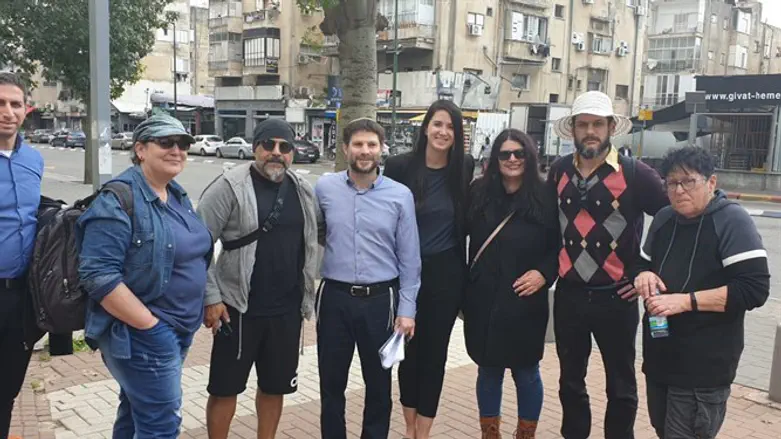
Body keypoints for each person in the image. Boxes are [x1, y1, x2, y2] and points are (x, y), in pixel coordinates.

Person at [76, 115, 212, 439]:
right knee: (161, 426)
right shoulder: (118, 199)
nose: (176, 150)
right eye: (166, 143)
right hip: (142, 334)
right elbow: (97, 274)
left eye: (183, 144)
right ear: (140, 149)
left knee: (136, 413)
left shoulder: (175, 195)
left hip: (177, 329)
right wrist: (150, 326)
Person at [547, 91, 668, 439]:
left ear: (611, 128)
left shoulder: (634, 173)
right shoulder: (558, 171)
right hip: (570, 295)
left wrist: (646, 265)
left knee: (621, 385)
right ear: (572, 129)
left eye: (597, 124)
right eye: (583, 124)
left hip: (618, 296)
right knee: (570, 381)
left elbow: (670, 217)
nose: (590, 131)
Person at [633, 147, 770, 439]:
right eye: (671, 183)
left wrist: (685, 301)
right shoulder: (664, 218)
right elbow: (640, 263)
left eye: (688, 181)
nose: (679, 190)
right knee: (663, 430)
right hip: (660, 357)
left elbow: (754, 289)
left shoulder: (732, 221)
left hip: (703, 366)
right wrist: (642, 274)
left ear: (711, 182)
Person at [197, 118, 319, 439]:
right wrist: (211, 296)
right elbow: (196, 244)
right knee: (225, 389)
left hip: (286, 311)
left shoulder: (303, 190)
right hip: (237, 309)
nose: (276, 153)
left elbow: (315, 240)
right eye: (269, 145)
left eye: (285, 146)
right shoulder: (229, 186)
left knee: (275, 388)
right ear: (255, 148)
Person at [315, 118, 420, 439]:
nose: (365, 151)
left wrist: (407, 309)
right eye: (358, 144)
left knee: (378, 385)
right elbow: (315, 235)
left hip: (380, 301)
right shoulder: (324, 188)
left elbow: (410, 257)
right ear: (345, 148)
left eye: (371, 145)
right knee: (331, 384)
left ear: (381, 149)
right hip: (333, 298)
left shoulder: (400, 195)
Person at [383, 99, 473, 439]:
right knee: (409, 352)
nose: (443, 132)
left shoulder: (464, 166)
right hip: (404, 273)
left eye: (450, 126)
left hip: (446, 274)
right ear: (425, 127)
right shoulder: (399, 166)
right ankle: (409, 429)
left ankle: (423, 432)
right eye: (438, 124)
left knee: (435, 356)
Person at [464, 129, 558, 439]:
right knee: (488, 371)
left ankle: (525, 434)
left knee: (526, 372)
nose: (512, 159)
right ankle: (490, 434)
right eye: (505, 154)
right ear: (495, 159)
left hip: (524, 300)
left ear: (529, 158)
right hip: (484, 300)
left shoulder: (545, 197)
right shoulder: (477, 192)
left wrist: (544, 274)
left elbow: (560, 247)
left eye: (519, 153)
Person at [0, 72, 44, 439]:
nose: (7, 112)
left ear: (26, 110)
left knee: (8, 388)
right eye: (0, 103)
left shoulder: (34, 161)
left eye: (15, 104)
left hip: (21, 297)